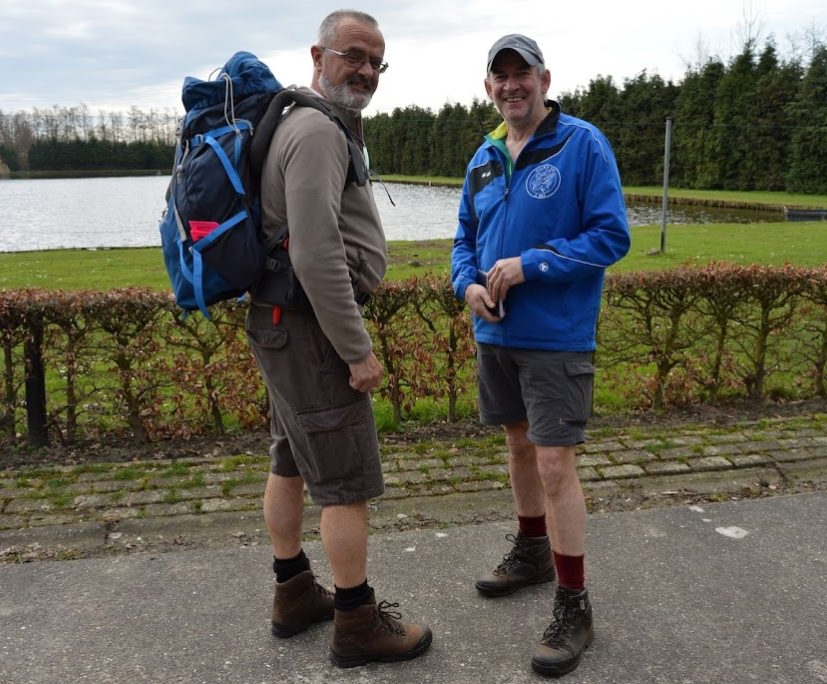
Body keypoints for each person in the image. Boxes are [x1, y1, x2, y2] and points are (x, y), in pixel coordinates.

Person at [244, 9, 432, 669]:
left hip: (282, 322)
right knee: (345, 481)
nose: (366, 71)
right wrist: (357, 349)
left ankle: (294, 592)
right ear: (318, 55)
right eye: (354, 55)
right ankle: (356, 623)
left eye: (376, 62)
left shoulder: (299, 122)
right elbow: (317, 254)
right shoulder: (318, 131)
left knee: (290, 459)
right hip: (312, 330)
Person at [450, 34, 631, 678]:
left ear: (544, 79)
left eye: (521, 73)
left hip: (556, 337)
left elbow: (611, 235)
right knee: (518, 446)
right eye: (499, 76)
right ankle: (532, 552)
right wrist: (466, 285)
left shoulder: (582, 144)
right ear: (488, 87)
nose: (511, 85)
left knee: (555, 464)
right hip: (497, 336)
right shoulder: (485, 156)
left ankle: (574, 603)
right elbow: (464, 239)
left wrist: (533, 264)